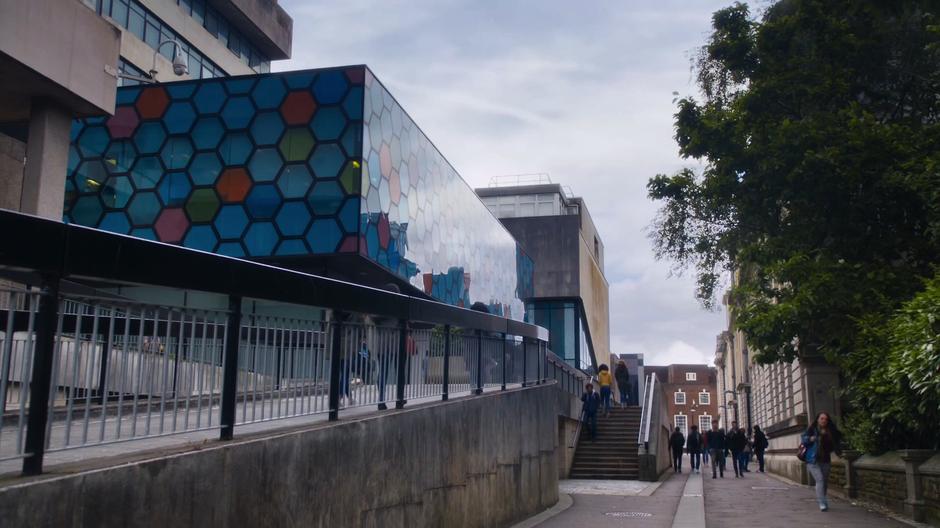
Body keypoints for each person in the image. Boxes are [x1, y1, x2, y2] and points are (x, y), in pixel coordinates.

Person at [801, 411, 842, 512]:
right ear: (818, 419)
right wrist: (811, 438)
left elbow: (836, 442)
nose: (824, 421)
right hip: (813, 460)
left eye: (826, 419)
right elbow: (803, 439)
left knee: (824, 482)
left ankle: (822, 499)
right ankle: (822, 503)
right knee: (819, 480)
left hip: (825, 459)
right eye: (822, 418)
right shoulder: (812, 429)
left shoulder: (830, 431)